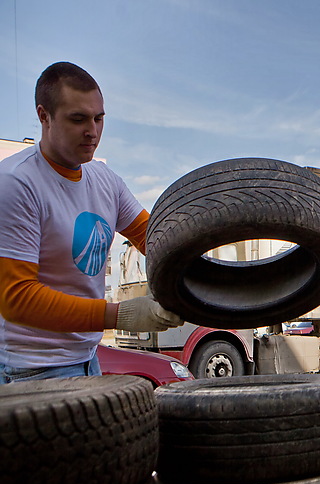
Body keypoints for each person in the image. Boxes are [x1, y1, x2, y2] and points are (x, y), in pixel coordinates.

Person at [0, 61, 183, 383]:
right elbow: (17, 297)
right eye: (78, 119)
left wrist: (209, 279)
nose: (92, 131)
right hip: (30, 370)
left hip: (88, 359)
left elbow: (155, 238)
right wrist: (121, 315)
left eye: (99, 119)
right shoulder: (16, 183)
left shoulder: (104, 180)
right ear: (44, 116)